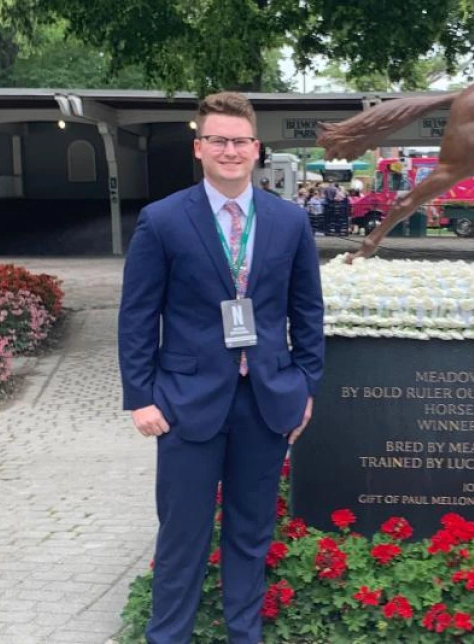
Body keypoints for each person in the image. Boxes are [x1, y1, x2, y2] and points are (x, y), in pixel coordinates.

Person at [118, 91, 324, 644]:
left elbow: (308, 312)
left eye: (239, 141)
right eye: (218, 140)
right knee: (182, 536)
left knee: (250, 535)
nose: (230, 150)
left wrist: (304, 386)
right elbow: (138, 315)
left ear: (257, 149)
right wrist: (140, 396)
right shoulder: (162, 221)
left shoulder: (289, 221)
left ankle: (244, 635)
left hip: (266, 401)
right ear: (199, 148)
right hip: (185, 404)